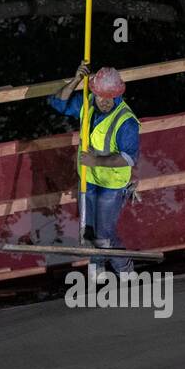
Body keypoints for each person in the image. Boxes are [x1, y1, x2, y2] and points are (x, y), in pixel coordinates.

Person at [49, 62, 141, 274]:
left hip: (111, 184)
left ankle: (126, 271)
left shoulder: (126, 122)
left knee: (104, 235)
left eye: (109, 97)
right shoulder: (88, 103)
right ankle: (97, 272)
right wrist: (75, 80)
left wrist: (95, 161)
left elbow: (128, 158)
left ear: (118, 94)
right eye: (100, 95)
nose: (104, 101)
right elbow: (58, 103)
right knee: (88, 232)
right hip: (88, 178)